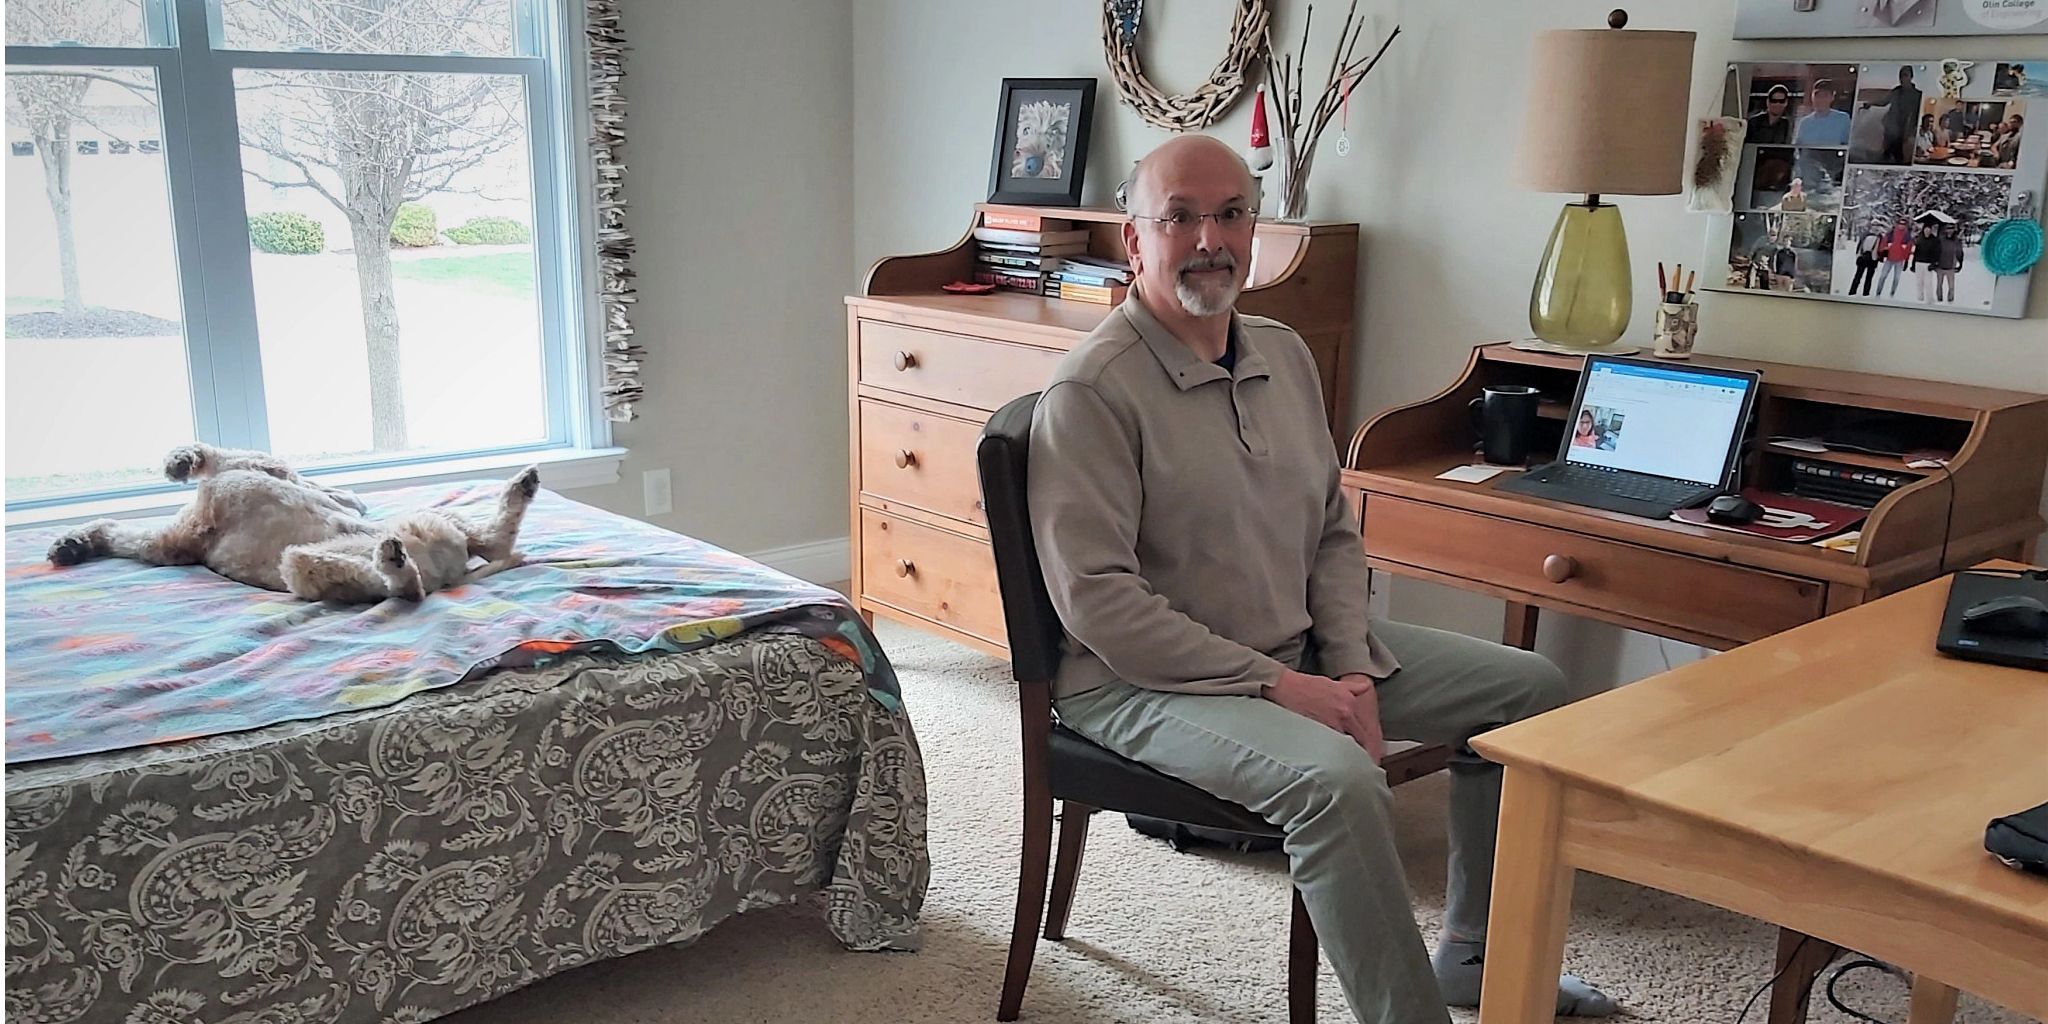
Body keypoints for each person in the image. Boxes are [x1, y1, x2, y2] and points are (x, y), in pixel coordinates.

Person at [1027, 135, 1618, 1024]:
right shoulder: (1091, 393)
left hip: (1291, 643)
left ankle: (1475, 957)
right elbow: (1101, 605)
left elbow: (1332, 532)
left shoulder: (1283, 354)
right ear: (1133, 241)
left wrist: (1347, 665)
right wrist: (1282, 686)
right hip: (1133, 682)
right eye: (1179, 217)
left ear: (1256, 228)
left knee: (1533, 692)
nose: (1208, 239)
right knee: (1337, 781)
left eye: (1230, 213)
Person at [1862, 65, 1922, 164]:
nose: (1902, 78)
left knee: (1898, 154)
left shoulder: (1917, 94)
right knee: (1887, 150)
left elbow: (1917, 115)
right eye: (1901, 76)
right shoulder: (1896, 91)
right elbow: (1884, 101)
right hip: (1890, 125)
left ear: (1911, 77)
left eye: (1905, 75)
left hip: (1904, 129)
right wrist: (1871, 103)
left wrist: (1912, 131)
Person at [1795, 79, 1852, 146]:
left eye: (1825, 95)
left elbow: (1848, 144)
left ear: (1832, 97)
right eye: (1817, 95)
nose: (1820, 99)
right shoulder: (1804, 122)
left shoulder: (1843, 119)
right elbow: (1798, 147)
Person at [1877, 219, 1913, 296]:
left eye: (1903, 224)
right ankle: (1878, 292)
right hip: (1889, 259)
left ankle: (1892, 293)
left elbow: (1908, 249)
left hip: (1899, 261)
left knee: (1896, 279)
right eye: (1900, 223)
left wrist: (1906, 260)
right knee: (1883, 276)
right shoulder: (1891, 233)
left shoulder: (1907, 236)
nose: (1901, 225)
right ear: (1897, 224)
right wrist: (1881, 253)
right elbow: (1884, 243)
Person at [1934, 221, 1965, 303]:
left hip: (1951, 266)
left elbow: (1959, 252)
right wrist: (1934, 262)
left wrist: (1960, 264)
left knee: (1951, 286)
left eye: (1951, 228)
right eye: (1948, 228)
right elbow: (1935, 251)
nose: (1950, 230)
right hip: (1940, 266)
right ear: (1945, 230)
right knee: (1939, 284)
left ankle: (1950, 299)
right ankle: (1939, 299)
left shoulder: (1956, 240)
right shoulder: (1941, 239)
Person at [1851, 222, 1884, 295]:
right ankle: (1862, 293)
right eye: (1874, 225)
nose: (1876, 227)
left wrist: (1859, 255)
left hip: (1869, 258)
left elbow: (1860, 246)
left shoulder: (1871, 235)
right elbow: (1860, 246)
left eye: (1877, 226)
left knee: (1861, 277)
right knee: (1864, 277)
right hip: (1870, 259)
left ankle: (1855, 292)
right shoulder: (1877, 236)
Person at [1912, 221, 1941, 302]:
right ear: (1923, 230)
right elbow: (1916, 252)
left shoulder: (1934, 240)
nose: (1927, 231)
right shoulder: (1919, 239)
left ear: (1931, 230)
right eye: (1926, 229)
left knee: (1928, 283)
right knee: (1919, 282)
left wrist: (1934, 263)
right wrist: (1913, 264)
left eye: (1929, 229)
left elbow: (1937, 253)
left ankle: (1930, 299)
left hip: (1928, 264)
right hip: (1919, 263)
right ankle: (1920, 298)